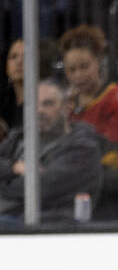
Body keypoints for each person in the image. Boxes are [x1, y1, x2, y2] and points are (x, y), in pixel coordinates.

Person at [59, 25, 118, 220]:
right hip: (74, 187)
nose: (78, 76)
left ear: (98, 62)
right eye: (71, 70)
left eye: (84, 67)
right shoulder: (66, 104)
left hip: (116, 193)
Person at [0, 79, 101, 223]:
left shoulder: (83, 148)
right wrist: (14, 167)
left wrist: (5, 181)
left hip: (47, 227)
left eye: (48, 104)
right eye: (34, 104)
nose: (39, 110)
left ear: (66, 108)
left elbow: (41, 188)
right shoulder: (18, 137)